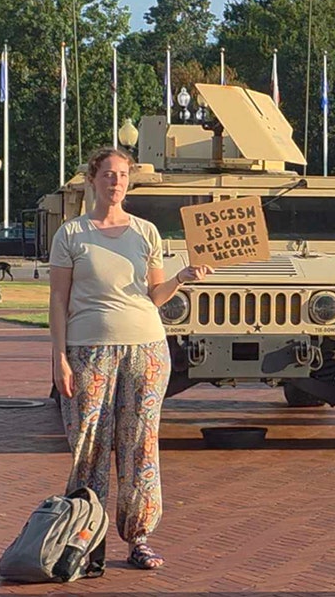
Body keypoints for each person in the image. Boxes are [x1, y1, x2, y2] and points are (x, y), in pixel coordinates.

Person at [49, 147, 212, 572]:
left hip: (147, 349)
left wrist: (181, 278)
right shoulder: (71, 234)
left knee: (140, 443)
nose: (116, 182)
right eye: (108, 174)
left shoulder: (146, 233)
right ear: (93, 179)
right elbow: (58, 299)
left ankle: (139, 536)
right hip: (88, 350)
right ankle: (85, 536)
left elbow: (154, 296)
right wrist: (59, 358)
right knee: (89, 445)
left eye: (122, 175)